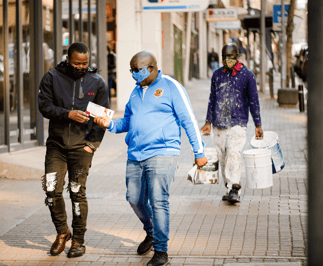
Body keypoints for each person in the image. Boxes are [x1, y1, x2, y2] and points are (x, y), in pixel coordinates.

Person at [94, 51, 208, 266]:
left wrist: (199, 151)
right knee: (134, 199)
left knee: (158, 200)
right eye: (132, 71)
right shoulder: (136, 93)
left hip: (164, 152)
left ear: (152, 67)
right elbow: (126, 122)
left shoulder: (172, 87)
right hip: (135, 154)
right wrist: (108, 124)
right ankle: (152, 231)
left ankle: (161, 250)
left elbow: (189, 120)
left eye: (138, 70)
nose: (134, 75)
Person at [38, 42, 109, 258]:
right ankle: (62, 233)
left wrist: (92, 144)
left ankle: (78, 240)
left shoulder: (97, 82)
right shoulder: (52, 77)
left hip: (82, 147)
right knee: (51, 190)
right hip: (56, 146)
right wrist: (68, 114)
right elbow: (44, 106)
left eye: (85, 63)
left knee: (77, 193)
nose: (81, 67)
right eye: (77, 63)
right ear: (68, 59)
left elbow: (103, 118)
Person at [200, 43, 263, 204]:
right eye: (225, 58)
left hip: (238, 122)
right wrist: (208, 122)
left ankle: (235, 187)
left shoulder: (247, 76)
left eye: (231, 57)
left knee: (234, 153)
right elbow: (212, 99)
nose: (228, 60)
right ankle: (229, 188)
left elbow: (254, 101)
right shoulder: (217, 75)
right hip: (219, 123)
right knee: (223, 156)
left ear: (237, 57)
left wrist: (258, 124)